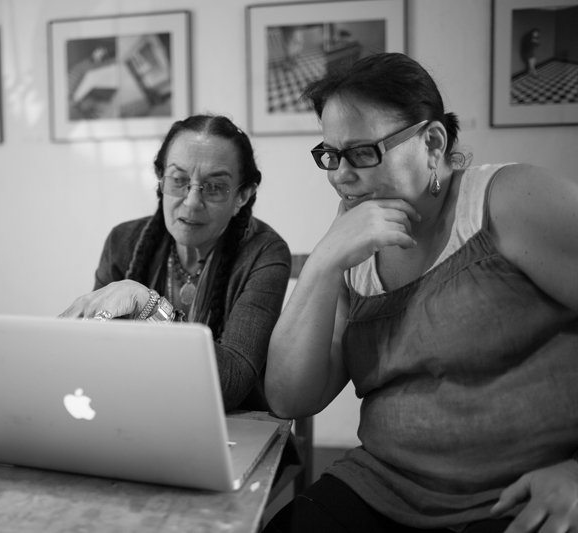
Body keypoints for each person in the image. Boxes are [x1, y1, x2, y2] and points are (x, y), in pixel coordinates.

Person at [263, 53, 578, 532]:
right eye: (330, 154)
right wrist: (323, 263)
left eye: (363, 152)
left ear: (432, 143)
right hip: (383, 486)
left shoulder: (510, 200)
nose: (340, 176)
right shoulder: (355, 240)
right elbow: (290, 398)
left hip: (512, 496)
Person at [60, 114, 291, 412]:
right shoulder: (123, 242)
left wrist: (149, 305)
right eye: (179, 180)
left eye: (215, 187)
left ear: (243, 196)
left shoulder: (265, 253)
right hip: (135, 417)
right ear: (160, 181)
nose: (192, 201)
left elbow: (232, 386)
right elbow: (96, 358)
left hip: (232, 430)